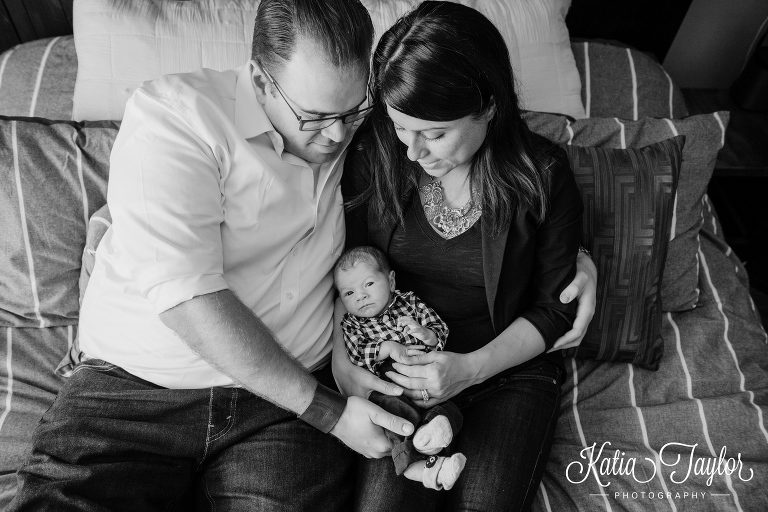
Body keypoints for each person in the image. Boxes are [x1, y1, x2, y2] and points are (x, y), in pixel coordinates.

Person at [10, 0, 595, 509]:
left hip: (284, 410)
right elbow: (185, 290)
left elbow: (525, 243)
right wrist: (330, 405)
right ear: (262, 82)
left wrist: (578, 262)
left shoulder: (370, 136)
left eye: (354, 113)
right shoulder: (177, 117)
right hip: (140, 387)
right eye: (317, 118)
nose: (339, 137)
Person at [335, 2, 588, 511]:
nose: (412, 151)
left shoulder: (542, 174)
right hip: (398, 372)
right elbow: (346, 266)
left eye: (435, 133)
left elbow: (555, 307)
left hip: (507, 369)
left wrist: (470, 368)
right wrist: (345, 366)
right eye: (401, 126)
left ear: (489, 106)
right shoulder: (373, 152)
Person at [335, 245, 466, 490]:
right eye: (349, 292)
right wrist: (387, 347)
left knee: (451, 410)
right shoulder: (352, 324)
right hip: (388, 389)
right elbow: (357, 353)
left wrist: (425, 334)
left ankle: (431, 439)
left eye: (369, 284)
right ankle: (424, 469)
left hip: (427, 379)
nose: (360, 296)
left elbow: (439, 330)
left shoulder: (410, 303)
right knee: (396, 414)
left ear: (391, 280)